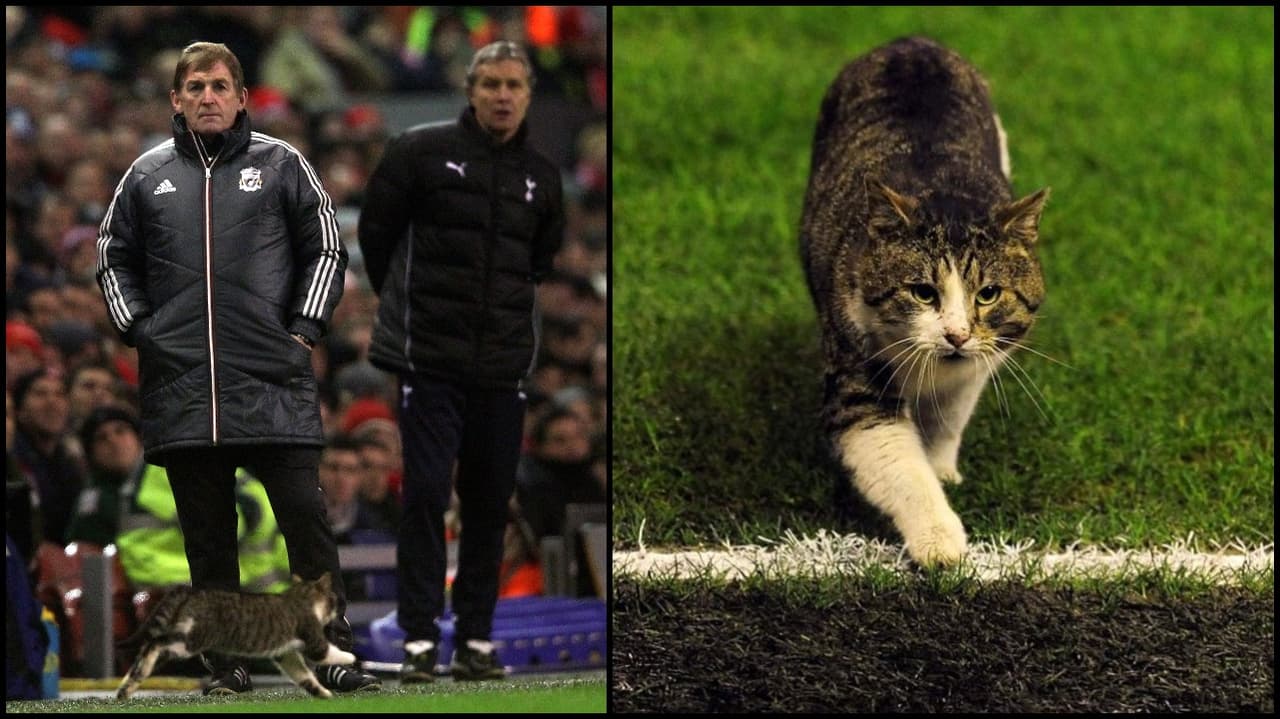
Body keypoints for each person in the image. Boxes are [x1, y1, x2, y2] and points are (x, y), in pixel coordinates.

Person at [94, 41, 378, 695]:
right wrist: (142, 330)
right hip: (184, 382)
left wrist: (303, 330)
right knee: (208, 537)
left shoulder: (283, 164)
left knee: (306, 521)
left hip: (272, 375)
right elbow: (111, 257)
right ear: (176, 99)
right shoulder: (144, 175)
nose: (207, 97)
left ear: (242, 96)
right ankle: (229, 663)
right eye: (194, 87)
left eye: (220, 85)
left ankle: (332, 648)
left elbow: (327, 246)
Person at [358, 40, 565, 683]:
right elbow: (376, 236)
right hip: (430, 359)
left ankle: (475, 637)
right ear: (470, 91)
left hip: (502, 367)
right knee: (423, 494)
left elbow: (540, 260)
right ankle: (421, 636)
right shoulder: (419, 152)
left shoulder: (542, 176)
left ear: (528, 95)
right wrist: (413, 313)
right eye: (491, 84)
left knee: (487, 502)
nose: (503, 96)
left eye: (514, 85)